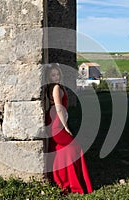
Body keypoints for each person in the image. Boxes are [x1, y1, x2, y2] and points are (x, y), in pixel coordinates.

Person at [45, 63, 93, 194]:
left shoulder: (55, 87)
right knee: (76, 149)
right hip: (56, 124)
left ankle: (61, 181)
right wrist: (66, 127)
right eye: (53, 75)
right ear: (49, 77)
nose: (56, 77)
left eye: (57, 74)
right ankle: (74, 183)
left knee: (61, 152)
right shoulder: (55, 88)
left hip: (53, 122)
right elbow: (59, 108)